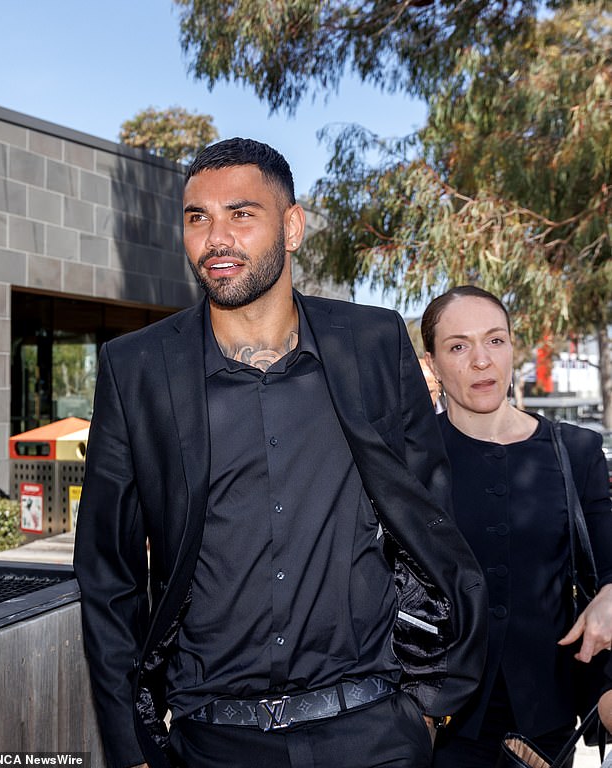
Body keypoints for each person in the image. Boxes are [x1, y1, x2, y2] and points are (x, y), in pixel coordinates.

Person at [74, 138, 487, 768]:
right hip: (211, 740)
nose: (216, 238)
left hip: (374, 731)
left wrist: (431, 708)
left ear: (291, 227)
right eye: (197, 217)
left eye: (241, 214)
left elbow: (432, 525)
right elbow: (110, 574)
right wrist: (132, 751)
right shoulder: (137, 369)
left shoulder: (373, 345)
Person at [420, 284, 612, 768]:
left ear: (513, 346)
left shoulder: (577, 451)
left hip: (544, 729)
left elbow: (607, 567)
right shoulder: (409, 462)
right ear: (433, 363)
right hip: (435, 725)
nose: (482, 360)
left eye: (495, 340)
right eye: (458, 346)